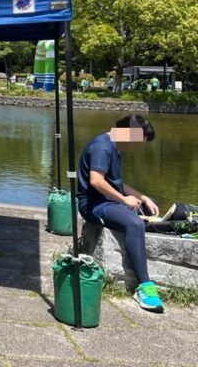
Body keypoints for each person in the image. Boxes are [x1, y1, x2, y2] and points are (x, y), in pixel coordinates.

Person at [77, 114, 163, 313]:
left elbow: (116, 183)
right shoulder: (102, 146)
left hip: (108, 202)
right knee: (135, 224)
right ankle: (144, 287)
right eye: (135, 142)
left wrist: (143, 197)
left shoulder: (113, 147)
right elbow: (96, 181)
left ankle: (137, 233)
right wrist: (124, 200)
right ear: (127, 133)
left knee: (150, 208)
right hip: (94, 205)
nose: (134, 148)